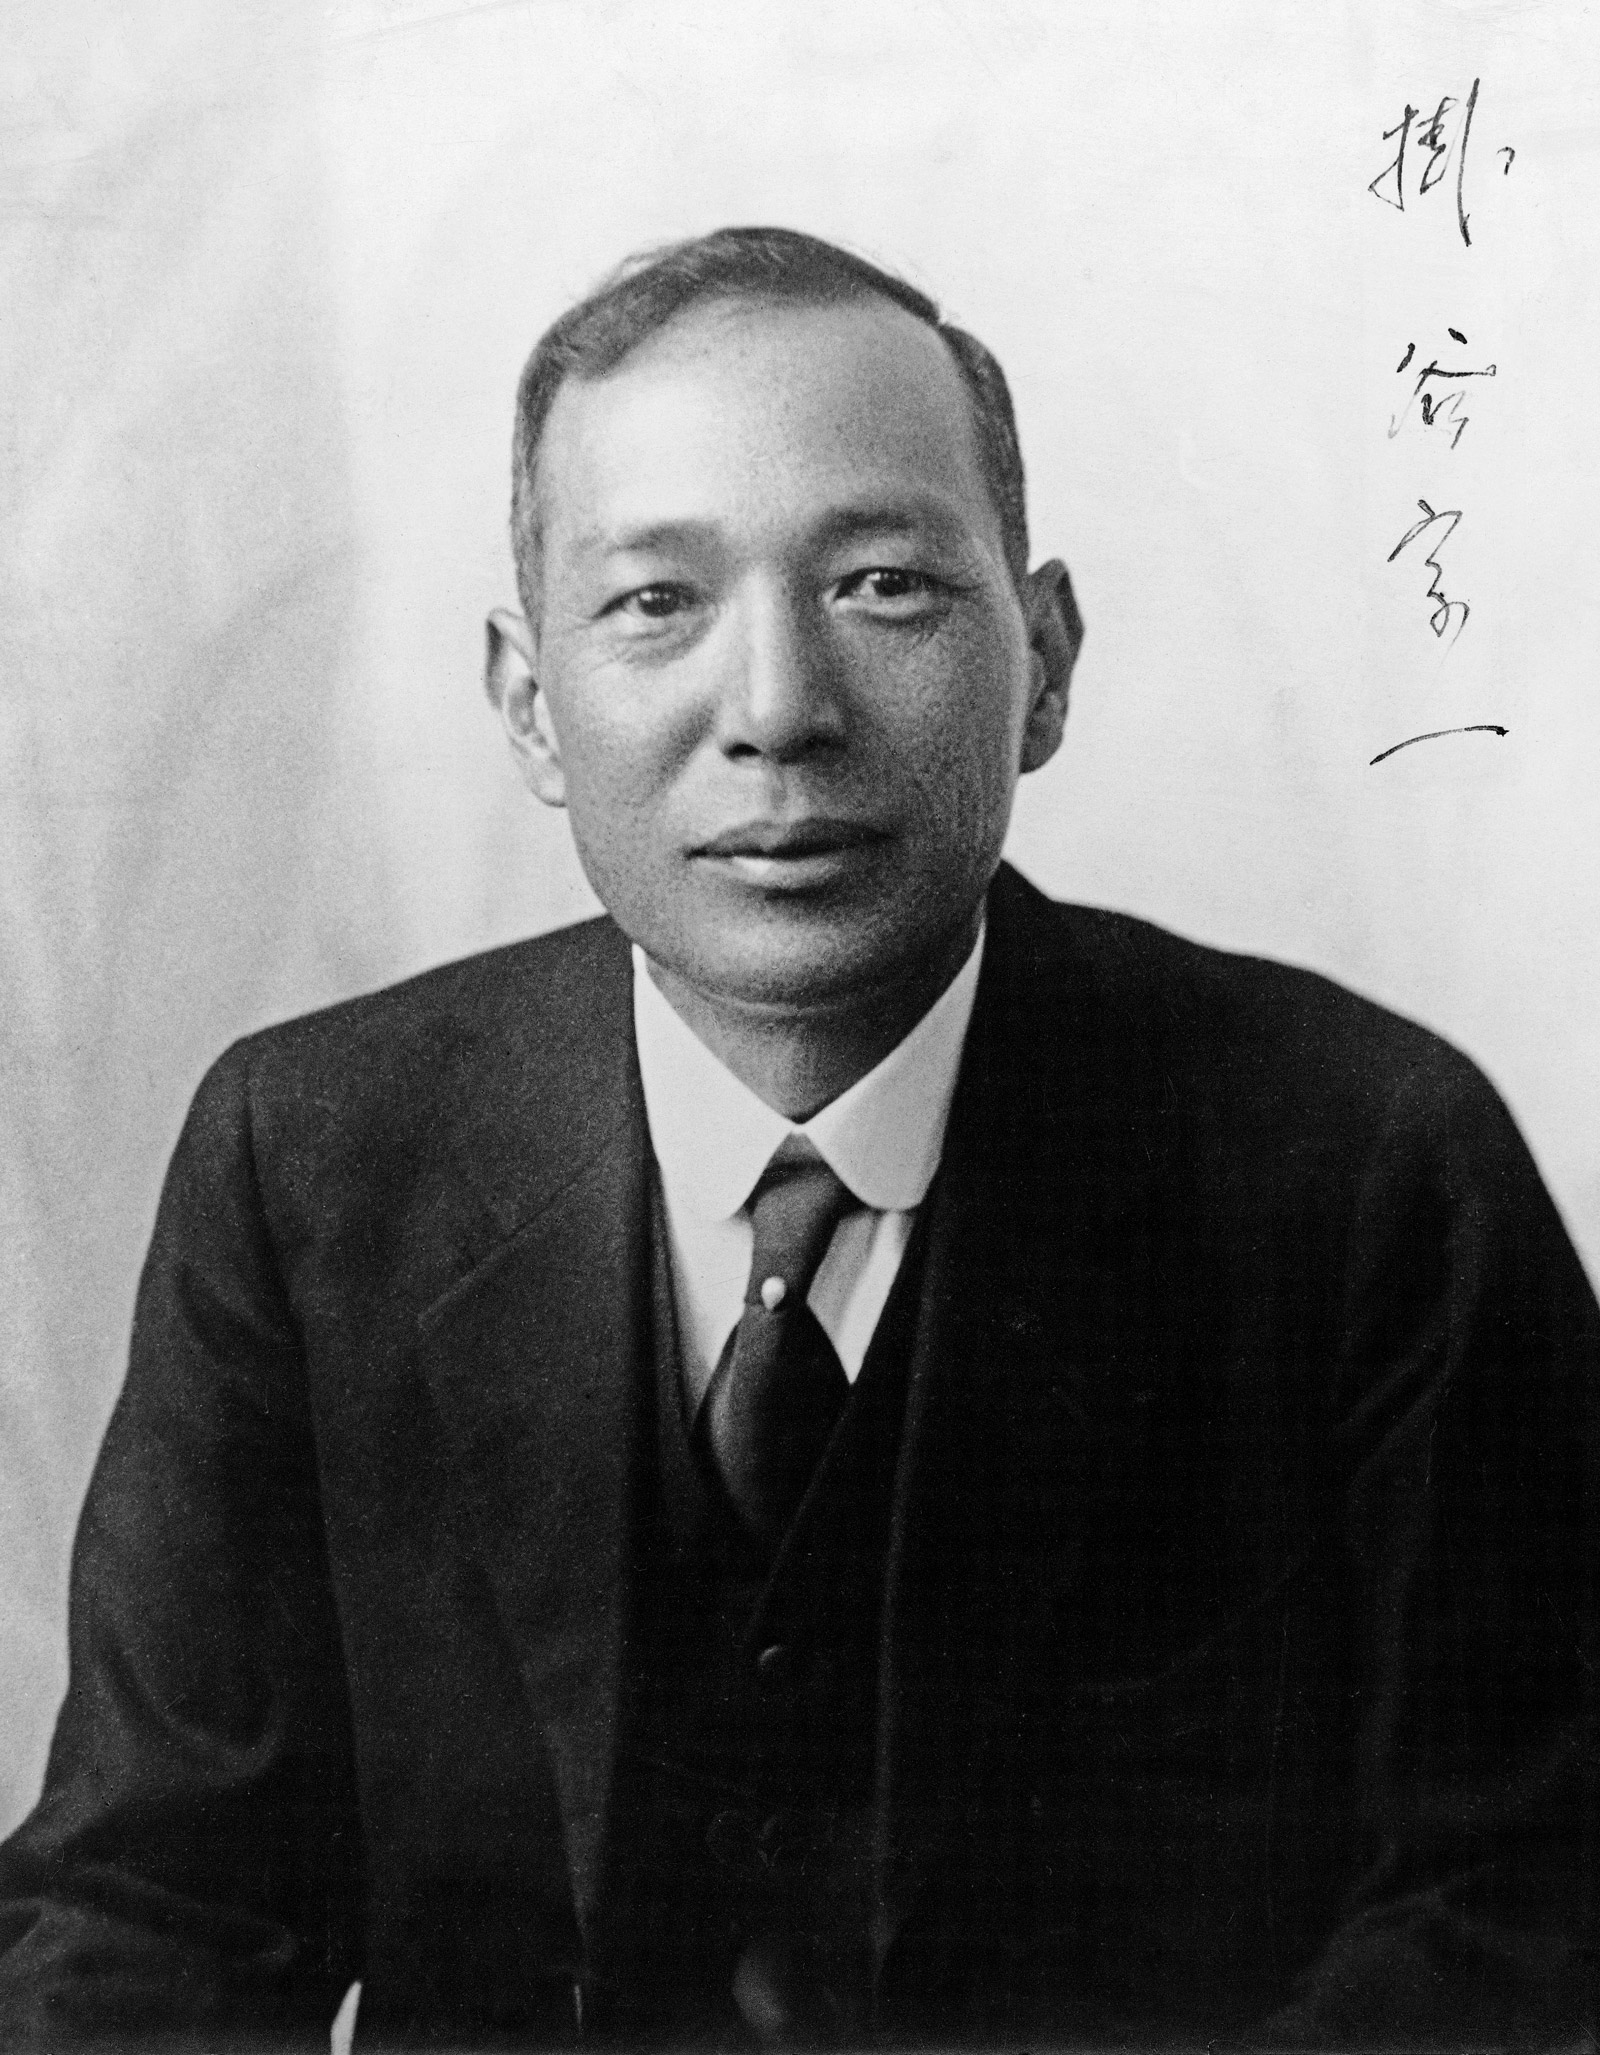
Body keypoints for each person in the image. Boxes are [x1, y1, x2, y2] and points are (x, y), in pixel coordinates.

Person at [0, 225, 1594, 2050]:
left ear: (1046, 661)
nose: (774, 712)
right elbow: (149, 1909)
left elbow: (1525, 1903)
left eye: (885, 585)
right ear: (532, 703)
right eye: (656, 605)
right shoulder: (313, 1162)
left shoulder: (1376, 1174)